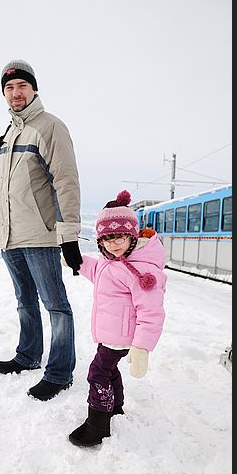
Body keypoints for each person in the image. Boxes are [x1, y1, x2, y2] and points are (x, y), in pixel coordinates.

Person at [0, 59, 82, 401]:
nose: (15, 93)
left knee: (55, 304)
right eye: (9, 88)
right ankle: (28, 356)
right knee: (24, 302)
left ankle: (59, 372)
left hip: (40, 234)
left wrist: (68, 236)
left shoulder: (50, 127)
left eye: (21, 85)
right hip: (10, 236)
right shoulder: (10, 133)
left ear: (34, 88)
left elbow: (66, 182)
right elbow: (2, 186)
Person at [68, 190, 167, 447]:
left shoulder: (140, 269)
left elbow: (151, 310)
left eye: (119, 237)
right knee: (109, 371)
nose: (113, 243)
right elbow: (97, 271)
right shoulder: (111, 261)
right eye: (108, 238)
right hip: (111, 335)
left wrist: (142, 347)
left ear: (132, 236)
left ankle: (97, 425)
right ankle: (115, 408)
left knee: (97, 373)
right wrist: (76, 260)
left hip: (124, 337)